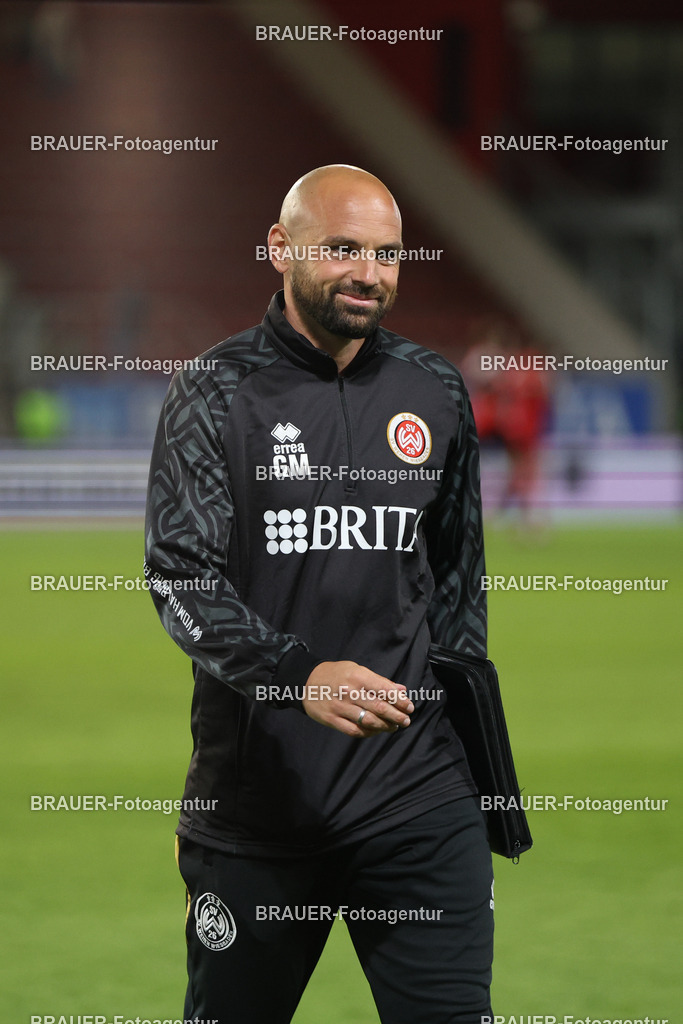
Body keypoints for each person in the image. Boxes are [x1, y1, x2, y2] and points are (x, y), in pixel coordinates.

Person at [145, 164, 494, 1023]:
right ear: (280, 248)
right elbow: (180, 580)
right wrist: (299, 675)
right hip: (261, 808)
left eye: (386, 253)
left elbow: (457, 587)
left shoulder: (435, 391)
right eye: (342, 248)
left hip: (417, 799)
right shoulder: (213, 393)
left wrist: (467, 749)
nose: (369, 273)